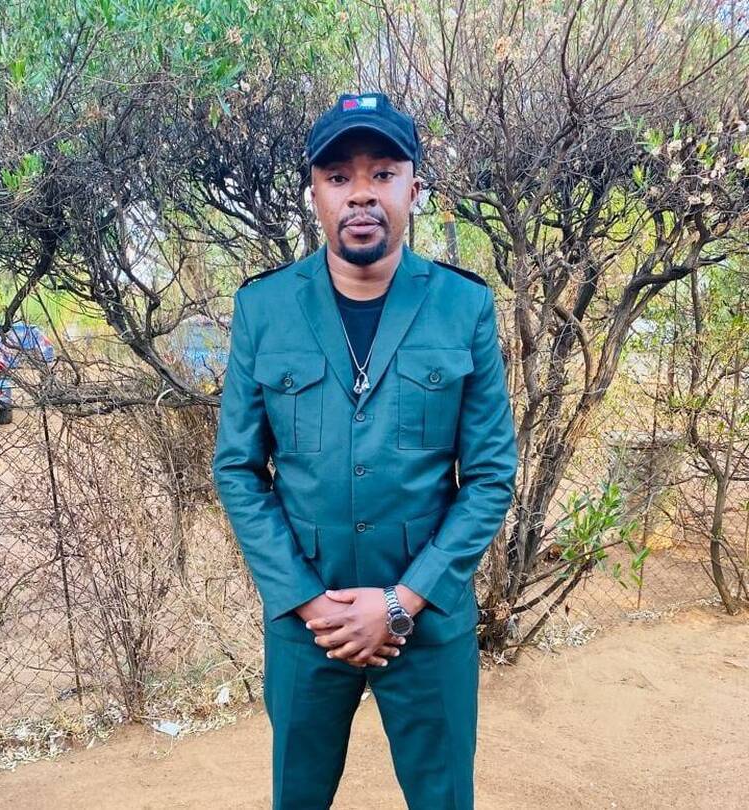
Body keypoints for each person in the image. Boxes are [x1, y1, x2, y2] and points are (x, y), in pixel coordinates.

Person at [212, 91, 518, 810]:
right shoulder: (264, 308)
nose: (360, 194)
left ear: (414, 187)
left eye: (383, 173)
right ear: (314, 192)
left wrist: (401, 603)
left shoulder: (463, 306)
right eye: (338, 176)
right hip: (307, 623)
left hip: (427, 619)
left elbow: (490, 475)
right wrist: (308, 602)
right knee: (298, 797)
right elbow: (238, 469)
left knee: (444, 798)